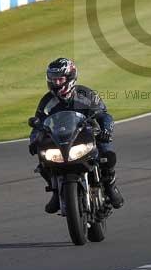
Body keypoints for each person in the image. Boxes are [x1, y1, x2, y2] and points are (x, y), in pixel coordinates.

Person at [29, 58, 124, 214]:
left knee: (107, 154)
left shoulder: (86, 94)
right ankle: (55, 192)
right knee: (43, 159)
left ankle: (110, 187)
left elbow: (104, 115)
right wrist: (34, 140)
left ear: (70, 78)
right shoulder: (46, 101)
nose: (57, 83)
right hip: (60, 139)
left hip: (87, 136)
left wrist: (106, 130)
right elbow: (38, 124)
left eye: (60, 79)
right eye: (53, 80)